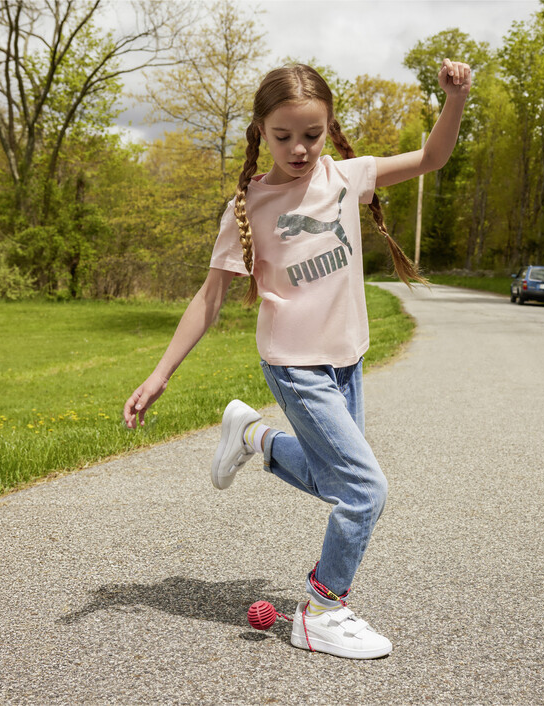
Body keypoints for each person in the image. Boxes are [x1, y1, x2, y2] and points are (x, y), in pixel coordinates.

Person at [124, 59, 471, 659]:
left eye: (312, 134)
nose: (300, 148)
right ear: (261, 131)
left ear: (329, 127)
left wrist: (456, 98)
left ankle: (252, 436)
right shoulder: (249, 208)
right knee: (364, 491)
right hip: (294, 365)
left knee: (334, 481)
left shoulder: (346, 177)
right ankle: (322, 611)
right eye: (283, 136)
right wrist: (160, 374)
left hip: (346, 362)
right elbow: (210, 299)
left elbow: (432, 158)